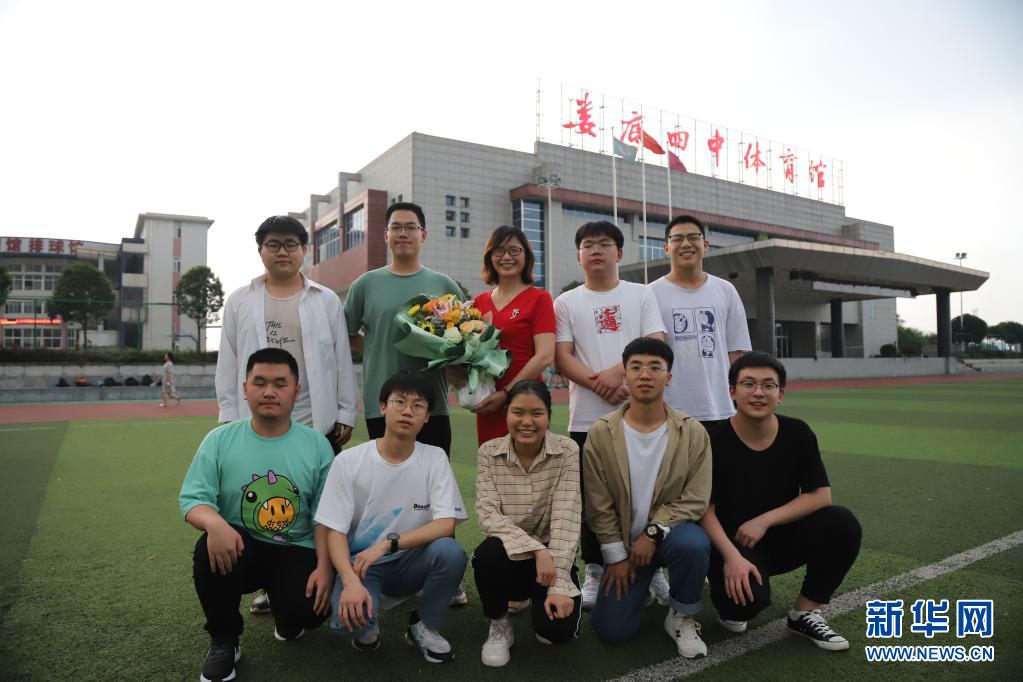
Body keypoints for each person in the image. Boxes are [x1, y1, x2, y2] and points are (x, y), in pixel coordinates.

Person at [216, 214, 358, 616]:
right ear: (260, 249)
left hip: (317, 417)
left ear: (304, 250)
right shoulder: (240, 300)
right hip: (259, 423)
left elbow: (341, 358)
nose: (282, 252)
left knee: (320, 504)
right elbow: (228, 361)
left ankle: (318, 574)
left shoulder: (325, 299)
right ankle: (269, 582)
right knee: (266, 500)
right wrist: (228, 414)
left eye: (291, 244)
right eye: (273, 244)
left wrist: (346, 410)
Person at [179, 348, 335, 682]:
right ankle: (225, 640)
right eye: (260, 383)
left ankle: (285, 609)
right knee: (208, 547)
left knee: (309, 614)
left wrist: (324, 566)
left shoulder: (317, 445)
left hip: (295, 549)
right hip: (239, 547)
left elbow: (326, 517)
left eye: (280, 384)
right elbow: (193, 500)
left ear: (296, 391)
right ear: (245, 388)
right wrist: (214, 522)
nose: (269, 391)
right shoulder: (219, 440)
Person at [701, 351, 861, 651]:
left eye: (768, 385)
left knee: (842, 523)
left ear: (781, 394)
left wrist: (765, 520)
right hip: (732, 543)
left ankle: (805, 612)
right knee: (741, 610)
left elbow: (820, 495)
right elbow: (703, 510)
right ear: (732, 391)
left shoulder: (798, 433)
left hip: (780, 538)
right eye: (748, 384)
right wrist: (732, 557)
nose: (758, 392)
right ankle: (726, 589)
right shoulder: (712, 439)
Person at [315, 371, 469, 663]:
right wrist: (348, 579)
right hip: (362, 566)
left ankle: (425, 625)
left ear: (427, 417)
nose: (407, 411)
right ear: (383, 407)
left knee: (450, 552)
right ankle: (367, 621)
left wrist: (388, 544)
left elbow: (446, 524)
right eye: (400, 402)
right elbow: (334, 529)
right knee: (353, 625)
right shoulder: (348, 461)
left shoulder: (434, 458)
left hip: (410, 562)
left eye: (418, 405)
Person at [553, 220, 666, 609]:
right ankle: (595, 569)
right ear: (579, 255)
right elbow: (562, 356)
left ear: (619, 253)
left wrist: (619, 374)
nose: (596, 250)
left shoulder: (641, 293)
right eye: (588, 244)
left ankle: (654, 569)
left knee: (646, 492)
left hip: (642, 414)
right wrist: (599, 383)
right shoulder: (566, 301)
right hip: (587, 419)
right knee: (591, 499)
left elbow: (655, 342)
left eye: (604, 244)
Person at [584, 337, 712, 659]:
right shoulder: (601, 432)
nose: (645, 374)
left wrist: (653, 533)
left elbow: (696, 499)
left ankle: (681, 614)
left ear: (668, 377)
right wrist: (616, 557)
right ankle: (645, 580)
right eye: (636, 367)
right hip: (628, 549)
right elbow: (598, 503)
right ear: (625, 376)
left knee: (692, 544)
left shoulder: (692, 431)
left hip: (669, 538)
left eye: (655, 367)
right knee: (611, 631)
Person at [472, 380, 582, 667]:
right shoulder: (489, 452)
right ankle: (499, 624)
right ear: (507, 413)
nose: (527, 422)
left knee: (555, 634)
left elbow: (567, 516)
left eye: (537, 413)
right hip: (511, 553)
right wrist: (536, 549)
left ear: (549, 416)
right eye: (518, 412)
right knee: (487, 555)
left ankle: (537, 597)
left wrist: (559, 584)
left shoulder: (568, 451)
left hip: (551, 561)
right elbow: (488, 515)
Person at [344, 202, 464, 456]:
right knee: (386, 478)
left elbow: (465, 336)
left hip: (432, 405)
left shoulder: (443, 284)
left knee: (433, 477)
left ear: (423, 235)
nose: (403, 233)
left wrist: (452, 364)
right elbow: (346, 333)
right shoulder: (365, 285)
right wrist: (378, 348)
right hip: (382, 405)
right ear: (386, 235)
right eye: (396, 227)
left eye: (410, 227)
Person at [649, 215, 751, 430]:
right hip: (669, 411)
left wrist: (737, 399)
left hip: (720, 408)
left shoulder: (726, 290)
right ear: (666, 248)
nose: (686, 244)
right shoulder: (650, 294)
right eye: (677, 239)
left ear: (705, 244)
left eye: (693, 237)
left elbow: (735, 353)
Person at [471, 225, 556, 445]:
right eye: (499, 251)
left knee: (528, 462)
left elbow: (545, 356)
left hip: (526, 400)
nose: (506, 256)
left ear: (526, 256)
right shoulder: (478, 302)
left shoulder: (540, 298)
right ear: (490, 257)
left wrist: (506, 393)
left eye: (514, 250)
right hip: (488, 401)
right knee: (491, 460)